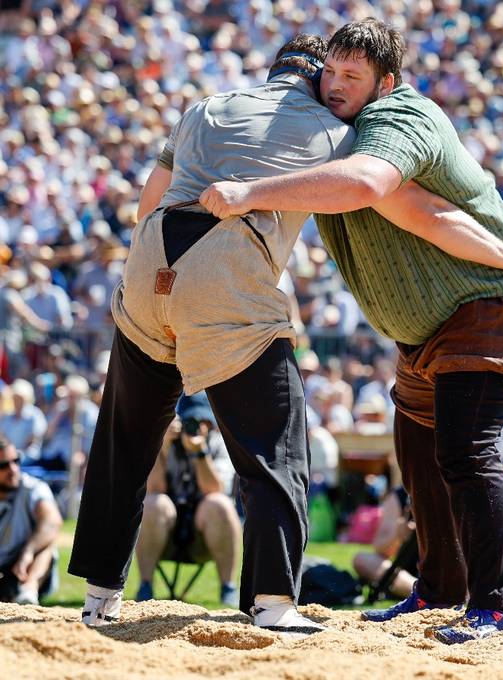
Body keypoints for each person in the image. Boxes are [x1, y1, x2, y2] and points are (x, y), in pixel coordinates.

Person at [199, 19, 503, 644]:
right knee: (418, 455)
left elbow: (394, 197)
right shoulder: (337, 134)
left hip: (494, 301)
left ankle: (501, 608)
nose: (334, 87)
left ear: (385, 82)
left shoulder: (398, 119)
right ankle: (440, 590)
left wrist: (248, 190)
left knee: (467, 450)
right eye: (329, 73)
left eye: (351, 78)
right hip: (432, 330)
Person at [67, 35, 355, 636]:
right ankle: (272, 602)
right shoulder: (332, 127)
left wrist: (153, 279)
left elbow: (151, 198)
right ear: (318, 78)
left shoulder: (208, 105)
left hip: (151, 258)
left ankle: (99, 597)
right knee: (274, 447)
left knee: (123, 441)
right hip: (226, 263)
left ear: (272, 70)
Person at [135, 394, 241, 607]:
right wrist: (161, 448)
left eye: (203, 422)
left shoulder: (220, 445)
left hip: (206, 538)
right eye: (191, 422)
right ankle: (145, 584)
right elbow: (154, 489)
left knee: (218, 503)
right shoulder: (164, 442)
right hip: (163, 537)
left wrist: (199, 453)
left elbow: (215, 489)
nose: (197, 427)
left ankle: (228, 586)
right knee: (155, 503)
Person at [0, 437, 63, 605]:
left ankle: (28, 593)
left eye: (16, 460)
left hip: (24, 568)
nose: (13, 469)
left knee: (46, 545)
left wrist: (27, 552)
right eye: (3, 465)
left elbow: (52, 522)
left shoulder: (32, 487)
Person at [352, 486, 416, 600]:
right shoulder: (401, 495)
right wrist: (397, 535)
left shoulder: (452, 488)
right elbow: (380, 548)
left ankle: (432, 593)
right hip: (408, 575)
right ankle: (421, 592)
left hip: (446, 571)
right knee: (362, 559)